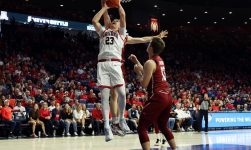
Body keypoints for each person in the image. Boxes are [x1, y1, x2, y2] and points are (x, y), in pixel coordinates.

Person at [93, 1, 168, 141]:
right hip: (102, 64)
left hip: (115, 64)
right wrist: (104, 6)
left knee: (121, 93)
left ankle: (120, 119)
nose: (114, 23)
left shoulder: (122, 35)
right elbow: (101, 18)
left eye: (116, 23)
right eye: (113, 22)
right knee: (106, 96)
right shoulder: (103, 32)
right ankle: (108, 126)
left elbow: (141, 38)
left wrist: (156, 37)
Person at [129, 37, 176, 150]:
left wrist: (138, 73)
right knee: (163, 126)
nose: (148, 45)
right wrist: (136, 62)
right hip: (168, 96)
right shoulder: (159, 59)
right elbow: (148, 71)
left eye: (149, 44)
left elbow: (144, 83)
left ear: (151, 47)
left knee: (142, 128)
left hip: (158, 96)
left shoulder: (150, 62)